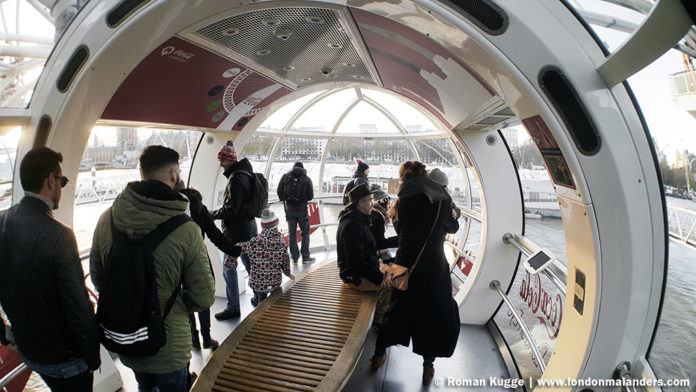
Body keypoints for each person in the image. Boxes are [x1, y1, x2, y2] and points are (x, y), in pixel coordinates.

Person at [90, 146, 214, 392]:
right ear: (173, 174)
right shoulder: (186, 230)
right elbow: (204, 295)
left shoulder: (107, 219)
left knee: (144, 386)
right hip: (169, 345)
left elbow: (97, 277)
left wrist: (135, 303)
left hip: (130, 339)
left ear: (141, 172)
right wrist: (171, 305)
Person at [0, 147, 100, 392]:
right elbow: (78, 308)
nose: (62, 189)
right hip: (65, 361)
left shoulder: (1, 222)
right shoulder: (60, 236)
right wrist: (92, 358)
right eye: (62, 181)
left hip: (29, 350)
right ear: (50, 181)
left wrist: (4, 333)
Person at [371, 161, 460, 385]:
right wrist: (454, 213)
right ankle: (428, 367)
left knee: (396, 309)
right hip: (433, 268)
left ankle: (379, 354)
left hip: (403, 264)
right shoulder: (441, 199)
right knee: (432, 316)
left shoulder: (402, 200)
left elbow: (401, 232)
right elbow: (452, 227)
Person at [177, 183, 241, 351]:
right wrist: (234, 250)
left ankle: (194, 339)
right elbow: (215, 236)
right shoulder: (199, 207)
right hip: (199, 255)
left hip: (179, 258)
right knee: (203, 295)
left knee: (185, 298)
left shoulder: (171, 209)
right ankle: (206, 337)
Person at [210, 141, 258, 321]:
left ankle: (232, 308)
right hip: (248, 229)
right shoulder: (247, 174)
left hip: (235, 234)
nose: (221, 163)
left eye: (222, 160)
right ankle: (259, 297)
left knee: (228, 268)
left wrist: (212, 214)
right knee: (250, 265)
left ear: (230, 160)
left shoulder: (236, 178)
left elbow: (232, 209)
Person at [336, 184, 391, 326]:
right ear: (360, 203)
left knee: (395, 273)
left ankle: (380, 313)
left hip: (361, 270)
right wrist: (379, 278)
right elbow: (356, 264)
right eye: (369, 200)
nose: (372, 204)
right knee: (392, 284)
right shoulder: (353, 226)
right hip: (354, 277)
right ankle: (379, 321)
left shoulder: (356, 220)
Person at [237, 209, 295, 307]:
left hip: (259, 281)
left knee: (261, 301)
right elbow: (285, 262)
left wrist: (228, 263)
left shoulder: (254, 242)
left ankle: (260, 312)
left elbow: (238, 248)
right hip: (274, 280)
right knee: (276, 301)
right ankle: (276, 314)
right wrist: (288, 274)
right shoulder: (282, 243)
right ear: (276, 226)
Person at [277, 162, 315, 263]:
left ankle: (294, 258)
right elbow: (310, 196)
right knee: (305, 233)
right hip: (302, 211)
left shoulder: (285, 177)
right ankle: (305, 257)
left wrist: (285, 200)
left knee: (292, 234)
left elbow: (279, 191)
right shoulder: (307, 179)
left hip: (289, 210)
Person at [369, 184, 398, 262]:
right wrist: (399, 239)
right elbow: (380, 243)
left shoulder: (373, 213)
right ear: (383, 203)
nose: (389, 206)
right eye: (387, 203)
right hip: (371, 254)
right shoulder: (378, 218)